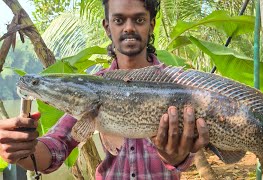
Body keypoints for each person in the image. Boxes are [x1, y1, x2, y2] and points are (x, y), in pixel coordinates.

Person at [0, 0, 210, 179]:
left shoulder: (177, 84)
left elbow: (186, 152)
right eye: (119, 20)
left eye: (138, 19)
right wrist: (22, 150)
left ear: (152, 24)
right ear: (107, 26)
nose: (129, 28)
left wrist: (177, 157)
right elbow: (57, 145)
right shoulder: (91, 88)